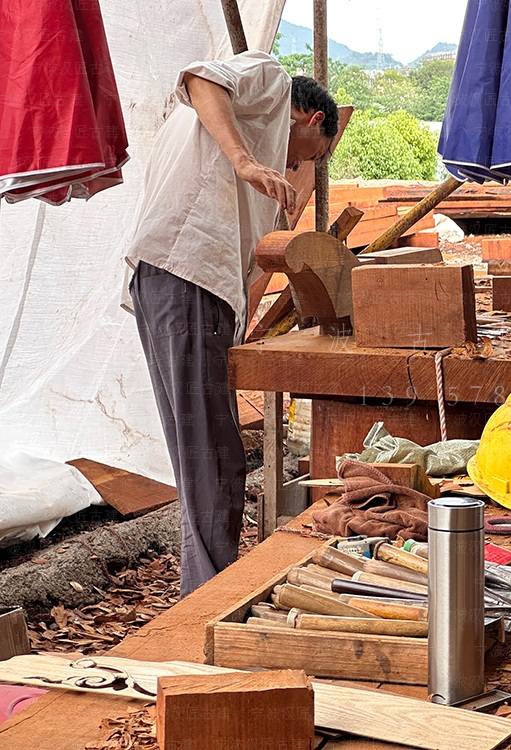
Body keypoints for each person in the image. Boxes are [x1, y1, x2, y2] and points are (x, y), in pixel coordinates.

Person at [123, 50, 339, 595]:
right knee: (214, 457)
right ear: (313, 120)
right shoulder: (269, 82)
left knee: (202, 450)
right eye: (316, 153)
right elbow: (198, 77)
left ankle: (205, 586)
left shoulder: (254, 134)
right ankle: (208, 597)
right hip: (186, 275)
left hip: (179, 279)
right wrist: (245, 161)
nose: (300, 165)